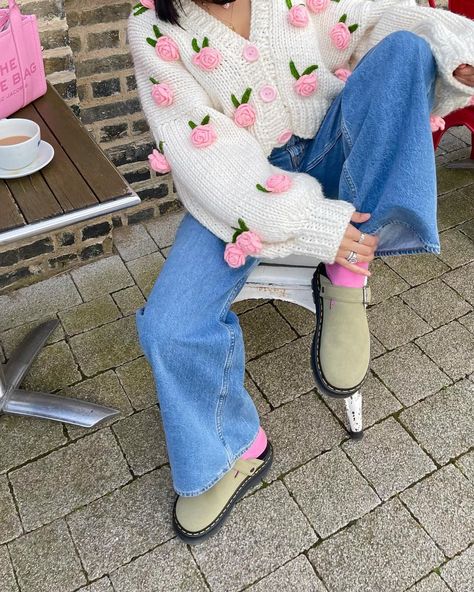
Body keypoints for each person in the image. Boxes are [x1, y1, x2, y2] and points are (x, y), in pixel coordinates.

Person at [128, 0, 474, 544]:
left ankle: (348, 278)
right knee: (169, 324)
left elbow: (383, 16)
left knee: (409, 49)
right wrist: (315, 224)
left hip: (338, 147)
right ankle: (232, 451)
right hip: (235, 191)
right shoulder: (151, 29)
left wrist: (456, 55)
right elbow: (206, 158)